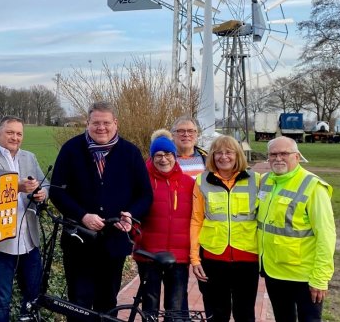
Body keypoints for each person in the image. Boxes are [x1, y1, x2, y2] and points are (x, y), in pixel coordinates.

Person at [50, 101, 153, 316]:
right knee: (78, 301)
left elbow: (145, 195)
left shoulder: (130, 152)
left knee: (108, 301)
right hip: (78, 240)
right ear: (87, 123)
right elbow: (57, 192)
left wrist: (130, 215)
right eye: (96, 123)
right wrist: (82, 216)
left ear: (115, 123)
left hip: (114, 242)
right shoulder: (71, 149)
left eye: (106, 122)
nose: (101, 127)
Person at [0, 116, 48, 322]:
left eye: (19, 134)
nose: (15, 137)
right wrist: (18, 187)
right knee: (2, 300)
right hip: (2, 245)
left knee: (32, 297)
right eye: (10, 132)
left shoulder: (29, 157)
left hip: (29, 240)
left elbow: (45, 183)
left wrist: (42, 193)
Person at [258, 137, 336, 322]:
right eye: (273, 154)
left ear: (297, 156)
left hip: (303, 276)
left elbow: (326, 235)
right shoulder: (266, 181)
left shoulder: (313, 187)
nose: (278, 158)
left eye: (284, 153)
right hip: (273, 271)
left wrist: (320, 278)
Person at [189, 135, 259, 322]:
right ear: (212, 156)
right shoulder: (202, 181)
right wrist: (195, 259)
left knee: (245, 313)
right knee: (216, 314)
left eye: (229, 152)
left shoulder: (256, 180)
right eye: (218, 152)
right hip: (213, 257)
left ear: (238, 155)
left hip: (247, 257)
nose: (223, 156)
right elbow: (196, 220)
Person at [134, 130, 194, 319]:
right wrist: (137, 238)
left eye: (168, 154)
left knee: (175, 308)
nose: (163, 159)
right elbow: (132, 214)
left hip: (178, 256)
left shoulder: (188, 183)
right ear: (152, 157)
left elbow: (197, 217)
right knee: (149, 306)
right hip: (149, 254)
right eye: (158, 155)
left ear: (175, 156)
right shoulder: (142, 182)